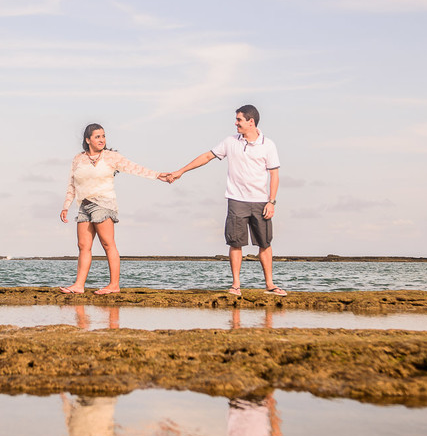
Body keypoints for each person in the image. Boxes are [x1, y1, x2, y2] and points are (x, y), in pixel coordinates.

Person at [163, 104, 286, 296]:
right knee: (235, 243)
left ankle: (270, 284)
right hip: (236, 200)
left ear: (250, 122)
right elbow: (207, 156)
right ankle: (236, 285)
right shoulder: (230, 141)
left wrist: (272, 202)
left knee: (265, 243)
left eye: (239, 119)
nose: (235, 123)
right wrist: (180, 172)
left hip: (261, 201)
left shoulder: (268, 145)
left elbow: (275, 174)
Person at [60, 123, 165, 294]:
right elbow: (72, 184)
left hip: (103, 203)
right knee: (83, 245)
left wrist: (157, 175)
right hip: (84, 204)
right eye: (97, 137)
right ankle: (79, 285)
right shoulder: (78, 159)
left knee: (107, 244)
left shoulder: (111, 157)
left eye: (103, 136)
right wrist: (66, 206)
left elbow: (135, 168)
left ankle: (114, 285)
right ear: (88, 140)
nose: (101, 140)